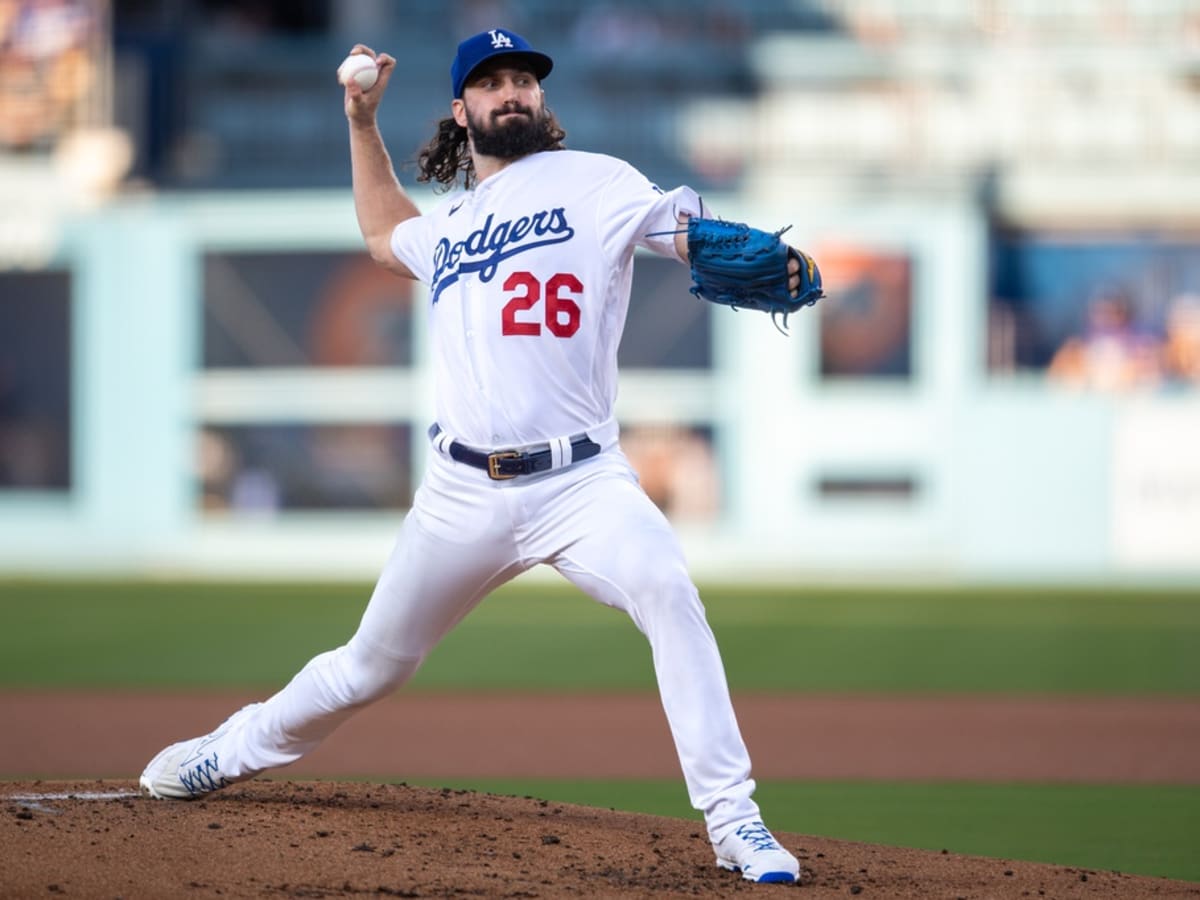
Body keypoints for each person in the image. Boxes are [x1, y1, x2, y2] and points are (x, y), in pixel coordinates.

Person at [139, 27, 815, 886]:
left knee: (667, 588)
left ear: (542, 100)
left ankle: (735, 822)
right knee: (369, 668)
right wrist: (360, 122)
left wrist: (712, 243)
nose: (512, 93)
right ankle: (230, 749)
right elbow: (388, 239)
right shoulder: (451, 222)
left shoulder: (598, 180)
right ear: (462, 111)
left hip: (583, 481)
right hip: (462, 491)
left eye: (523, 80)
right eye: (491, 82)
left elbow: (686, 236)